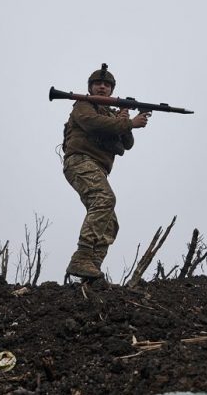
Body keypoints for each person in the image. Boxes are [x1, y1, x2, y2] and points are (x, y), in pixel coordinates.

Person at [60, 64, 149, 279]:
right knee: (104, 199)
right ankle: (81, 258)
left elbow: (126, 144)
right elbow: (92, 124)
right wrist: (127, 122)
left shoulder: (110, 113)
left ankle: (92, 269)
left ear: (111, 89)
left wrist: (123, 121)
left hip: (97, 167)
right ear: (90, 87)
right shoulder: (84, 104)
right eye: (98, 84)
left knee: (109, 222)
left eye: (107, 85)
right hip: (80, 161)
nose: (102, 87)